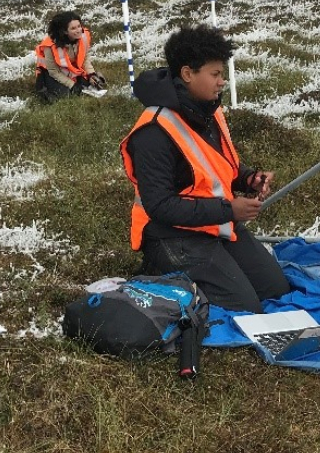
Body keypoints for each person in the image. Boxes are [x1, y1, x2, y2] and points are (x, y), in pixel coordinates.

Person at [120, 24, 290, 312]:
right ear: (187, 74)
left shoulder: (208, 110)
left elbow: (218, 165)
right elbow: (160, 206)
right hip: (171, 236)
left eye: (222, 74)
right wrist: (229, 211)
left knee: (275, 289)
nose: (222, 81)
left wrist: (248, 177)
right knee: (245, 307)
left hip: (213, 224)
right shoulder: (153, 131)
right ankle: (159, 269)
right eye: (215, 74)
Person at [34, 10, 106, 100]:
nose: (79, 30)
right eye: (73, 28)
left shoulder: (83, 37)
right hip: (49, 73)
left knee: (92, 85)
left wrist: (91, 74)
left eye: (79, 26)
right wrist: (72, 85)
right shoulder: (49, 45)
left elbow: (85, 58)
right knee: (64, 96)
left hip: (71, 71)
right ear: (65, 31)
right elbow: (53, 71)